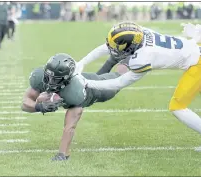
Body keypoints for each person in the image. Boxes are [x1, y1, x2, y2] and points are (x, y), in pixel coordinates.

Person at [76, 22, 201, 151]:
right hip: (196, 49)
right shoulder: (140, 34)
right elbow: (108, 47)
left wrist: (88, 82)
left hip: (197, 64)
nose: (113, 49)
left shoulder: (143, 57)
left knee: (177, 107)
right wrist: (83, 62)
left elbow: (119, 82)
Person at [21, 53, 129, 161]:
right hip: (84, 80)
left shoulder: (74, 93)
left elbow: (70, 126)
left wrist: (62, 154)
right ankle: (112, 59)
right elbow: (25, 104)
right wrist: (39, 106)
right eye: (48, 76)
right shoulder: (40, 77)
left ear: (67, 79)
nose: (50, 82)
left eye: (56, 79)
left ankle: (130, 59)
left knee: (120, 77)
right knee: (98, 76)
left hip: (95, 92)